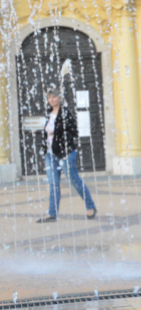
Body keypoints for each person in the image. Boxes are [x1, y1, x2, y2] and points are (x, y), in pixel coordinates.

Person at [37, 88, 97, 223]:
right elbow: (46, 134)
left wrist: (64, 136)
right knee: (53, 184)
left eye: (54, 97)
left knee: (74, 180)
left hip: (66, 153)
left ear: (59, 98)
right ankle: (52, 213)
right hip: (50, 154)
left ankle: (90, 206)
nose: (51, 100)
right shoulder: (49, 114)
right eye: (49, 98)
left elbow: (74, 132)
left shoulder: (65, 113)